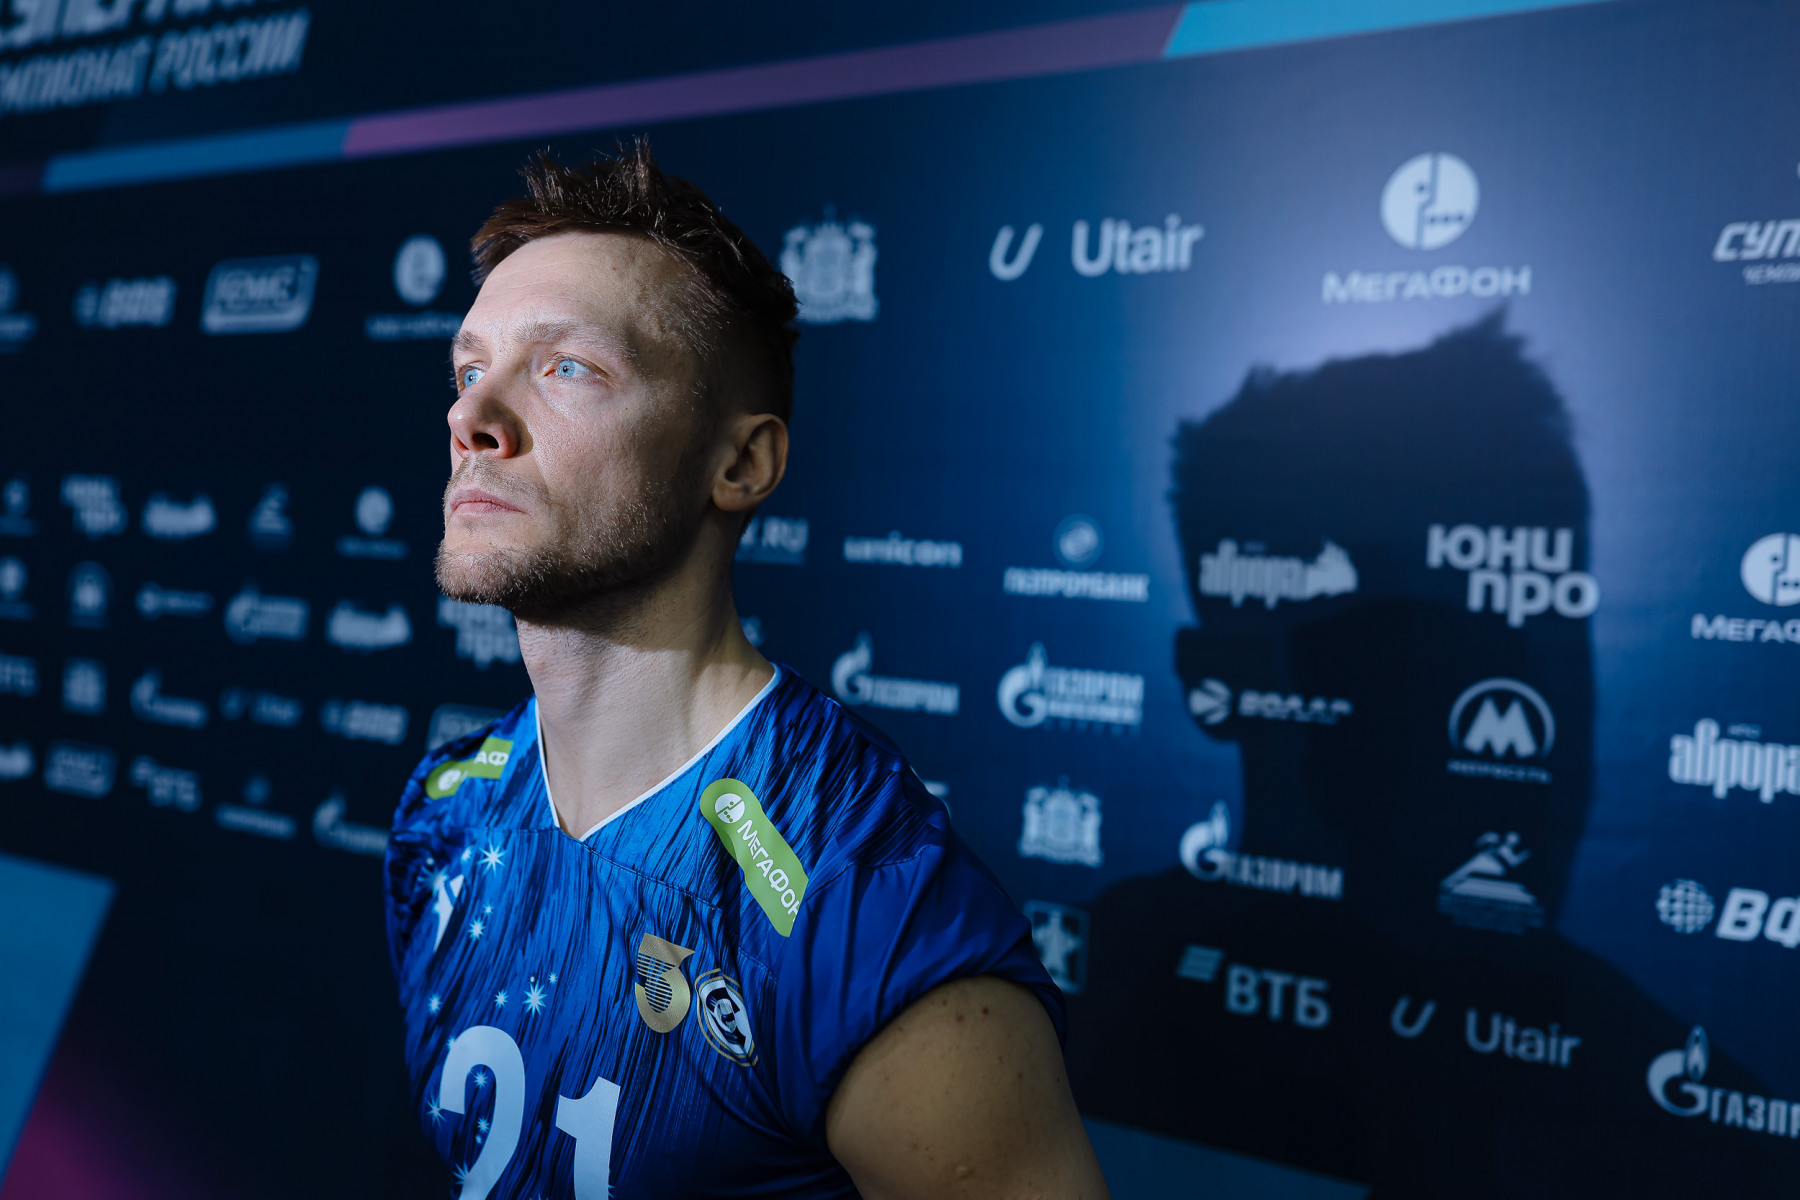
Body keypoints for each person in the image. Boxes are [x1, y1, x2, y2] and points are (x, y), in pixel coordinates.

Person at [382, 141, 1108, 1200]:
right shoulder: (443, 813)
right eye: (467, 370)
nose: (470, 418)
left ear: (740, 462)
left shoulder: (861, 897)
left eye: (566, 367)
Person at [1066, 317, 1798, 1195]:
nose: (1487, 723)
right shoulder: (1078, 996)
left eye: (1535, 640)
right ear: (1210, 682)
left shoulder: (1692, 1135)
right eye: (1385, 655)